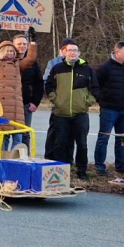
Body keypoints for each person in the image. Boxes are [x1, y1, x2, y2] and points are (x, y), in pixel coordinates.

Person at [44, 38, 98, 180]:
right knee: (60, 144)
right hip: (61, 114)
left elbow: (95, 88)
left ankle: (81, 171)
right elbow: (49, 86)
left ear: (79, 53)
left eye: (75, 50)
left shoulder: (87, 69)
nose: (72, 53)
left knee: (82, 144)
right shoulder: (57, 68)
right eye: (70, 50)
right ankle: (60, 171)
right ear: (65, 52)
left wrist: (88, 101)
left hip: (80, 114)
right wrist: (55, 100)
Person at [92, 42, 124, 177]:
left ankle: (120, 166)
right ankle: (99, 166)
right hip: (109, 109)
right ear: (117, 53)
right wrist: (101, 100)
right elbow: (95, 85)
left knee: (122, 140)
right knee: (103, 138)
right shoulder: (105, 68)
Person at [15, 31, 43, 127]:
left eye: (24, 44)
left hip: (26, 103)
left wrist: (35, 102)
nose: (22, 46)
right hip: (9, 102)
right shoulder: (7, 61)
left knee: (25, 131)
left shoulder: (33, 63)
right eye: (19, 44)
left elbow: (39, 83)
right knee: (6, 131)